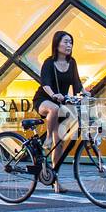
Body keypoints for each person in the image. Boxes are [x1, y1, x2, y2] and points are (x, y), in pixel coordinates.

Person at [32, 31, 89, 193]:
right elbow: (45, 83)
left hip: (61, 103)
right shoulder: (49, 63)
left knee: (60, 144)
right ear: (56, 44)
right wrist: (53, 95)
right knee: (54, 108)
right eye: (65, 42)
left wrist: (84, 93)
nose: (69, 45)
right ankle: (48, 138)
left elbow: (77, 84)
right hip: (44, 100)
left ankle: (55, 182)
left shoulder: (72, 63)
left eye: (71, 42)